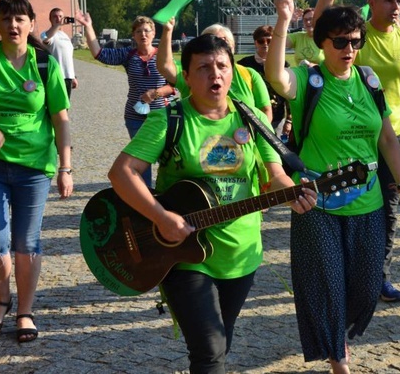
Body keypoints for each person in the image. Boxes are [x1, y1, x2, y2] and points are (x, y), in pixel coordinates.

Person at [107, 34, 316, 373]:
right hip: (184, 253)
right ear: (185, 77)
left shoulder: (252, 121)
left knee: (221, 342)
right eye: (203, 68)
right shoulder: (170, 119)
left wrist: (293, 193)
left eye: (222, 66)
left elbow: (274, 174)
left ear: (233, 72)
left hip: (240, 253)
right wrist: (160, 217)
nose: (214, 75)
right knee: (209, 349)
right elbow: (122, 173)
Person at [267, 0, 400, 374]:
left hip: (367, 200)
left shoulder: (369, 81)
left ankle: (337, 336)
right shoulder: (308, 79)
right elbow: (274, 75)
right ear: (323, 43)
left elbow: (387, 137)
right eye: (340, 41)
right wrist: (283, 21)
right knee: (328, 285)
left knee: (367, 289)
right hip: (319, 203)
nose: (349, 48)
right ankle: (339, 359)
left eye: (355, 41)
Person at [315, 0, 400, 303]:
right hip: (355, 134)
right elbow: (323, 28)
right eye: (389, 1)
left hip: (394, 133)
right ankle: (346, 269)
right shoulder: (358, 36)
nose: (396, 6)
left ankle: (380, 275)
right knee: (354, 200)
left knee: (389, 207)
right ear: (373, 3)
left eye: (399, 1)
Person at [0, 0, 73, 343]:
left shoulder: (44, 63)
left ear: (31, 23)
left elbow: (60, 117)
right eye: (5, 18)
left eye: (20, 18)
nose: (13, 25)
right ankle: (2, 299)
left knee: (26, 242)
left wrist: (66, 167)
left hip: (35, 167)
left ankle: (25, 310)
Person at [81, 14, 176, 187]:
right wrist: (88, 26)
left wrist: (155, 93)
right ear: (133, 36)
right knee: (141, 159)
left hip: (161, 117)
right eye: (138, 31)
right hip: (135, 117)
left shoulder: (163, 56)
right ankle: (146, 198)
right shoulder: (128, 55)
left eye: (147, 31)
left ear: (154, 34)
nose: (143, 35)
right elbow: (99, 53)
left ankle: (166, 194)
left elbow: (175, 86)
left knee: (167, 159)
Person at [156, 20, 274, 123]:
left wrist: (256, 133)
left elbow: (265, 110)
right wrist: (167, 31)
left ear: (232, 46)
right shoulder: (193, 72)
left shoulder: (249, 74)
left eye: (223, 40)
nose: (217, 45)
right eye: (211, 40)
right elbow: (165, 66)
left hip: (243, 140)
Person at [238, 26, 291, 134]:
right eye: (261, 41)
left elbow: (288, 95)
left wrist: (289, 120)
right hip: (250, 118)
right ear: (255, 43)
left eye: (269, 41)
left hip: (277, 119)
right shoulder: (243, 65)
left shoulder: (283, 65)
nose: (265, 44)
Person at [41, 7, 78, 98]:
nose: (58, 19)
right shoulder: (47, 34)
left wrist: (73, 76)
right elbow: (45, 38)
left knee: (66, 106)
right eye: (55, 17)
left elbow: (68, 58)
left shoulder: (66, 36)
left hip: (68, 77)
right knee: (55, 107)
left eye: (60, 16)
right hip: (55, 76)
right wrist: (57, 26)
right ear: (50, 19)